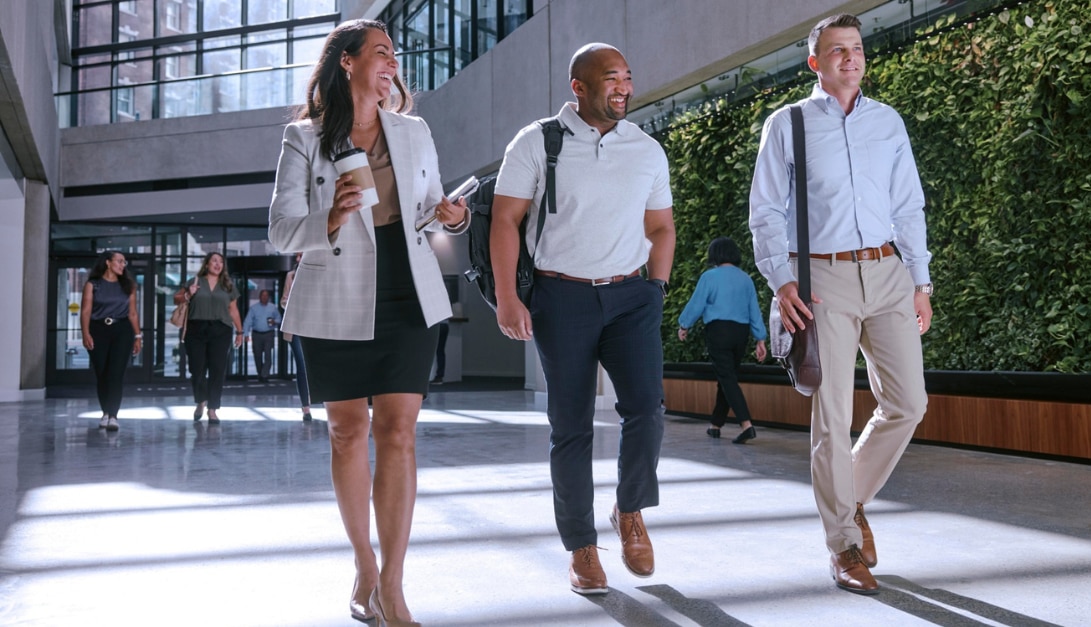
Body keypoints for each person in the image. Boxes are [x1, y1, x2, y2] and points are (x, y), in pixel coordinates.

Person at [266, 19, 468, 627]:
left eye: (395, 57)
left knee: (399, 433)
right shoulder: (303, 138)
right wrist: (327, 218)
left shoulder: (414, 131)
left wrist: (452, 218)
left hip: (407, 293)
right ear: (347, 62)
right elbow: (280, 230)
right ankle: (364, 565)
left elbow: (433, 213)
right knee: (348, 432)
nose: (392, 65)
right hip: (335, 292)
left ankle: (394, 586)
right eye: (382, 53)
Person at [748, 13, 933, 595]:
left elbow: (908, 206)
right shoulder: (789, 124)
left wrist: (920, 281)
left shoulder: (888, 122)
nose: (849, 58)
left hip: (887, 272)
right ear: (815, 62)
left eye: (855, 49)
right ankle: (843, 545)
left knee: (908, 402)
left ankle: (848, 500)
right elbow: (766, 212)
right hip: (820, 279)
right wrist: (783, 281)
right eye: (836, 51)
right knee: (831, 414)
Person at [491, 42, 675, 596]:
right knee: (569, 426)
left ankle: (630, 510)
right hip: (560, 298)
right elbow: (504, 220)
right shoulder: (537, 141)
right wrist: (507, 296)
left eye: (627, 77)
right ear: (579, 86)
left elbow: (661, 227)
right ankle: (581, 547)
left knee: (646, 408)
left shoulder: (645, 148)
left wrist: (656, 290)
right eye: (610, 78)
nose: (622, 87)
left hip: (630, 298)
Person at [676, 237, 768, 444]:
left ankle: (746, 425)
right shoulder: (746, 279)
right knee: (727, 377)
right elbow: (754, 310)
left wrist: (684, 325)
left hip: (719, 330)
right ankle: (715, 425)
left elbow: (696, 303)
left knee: (727, 378)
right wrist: (760, 339)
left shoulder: (710, 277)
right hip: (741, 333)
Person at [175, 251, 244, 424]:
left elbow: (233, 310)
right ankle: (201, 401)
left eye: (221, 261)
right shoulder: (195, 282)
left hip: (221, 330)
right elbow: (176, 298)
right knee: (196, 370)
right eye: (214, 261)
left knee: (217, 370)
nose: (217, 264)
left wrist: (240, 332)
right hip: (196, 329)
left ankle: (212, 409)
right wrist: (188, 294)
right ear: (206, 264)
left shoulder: (228, 285)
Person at [80, 251, 142, 431]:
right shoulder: (93, 285)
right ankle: (105, 412)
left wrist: (138, 336)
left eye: (124, 262)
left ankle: (113, 415)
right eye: (120, 261)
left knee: (116, 374)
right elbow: (85, 311)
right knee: (102, 373)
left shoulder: (128, 286)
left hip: (122, 330)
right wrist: (85, 333)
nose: (123, 265)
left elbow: (132, 313)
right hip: (98, 330)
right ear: (108, 263)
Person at [280, 253, 312, 421]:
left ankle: (322, 402)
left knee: (317, 366)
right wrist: (294, 307)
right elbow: (284, 301)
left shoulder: (319, 273)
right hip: (297, 326)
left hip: (317, 327)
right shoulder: (291, 276)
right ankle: (305, 407)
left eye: (303, 254)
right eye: (298, 256)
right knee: (302, 365)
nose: (300, 258)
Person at [243, 289, 282, 382]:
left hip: (268, 334)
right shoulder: (254, 308)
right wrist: (245, 334)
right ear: (259, 297)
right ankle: (260, 373)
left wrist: (275, 321)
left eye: (266, 295)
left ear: (268, 297)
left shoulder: (273, 307)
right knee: (257, 355)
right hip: (256, 334)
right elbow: (247, 321)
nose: (264, 297)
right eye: (263, 295)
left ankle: (264, 375)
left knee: (268, 355)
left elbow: (279, 319)